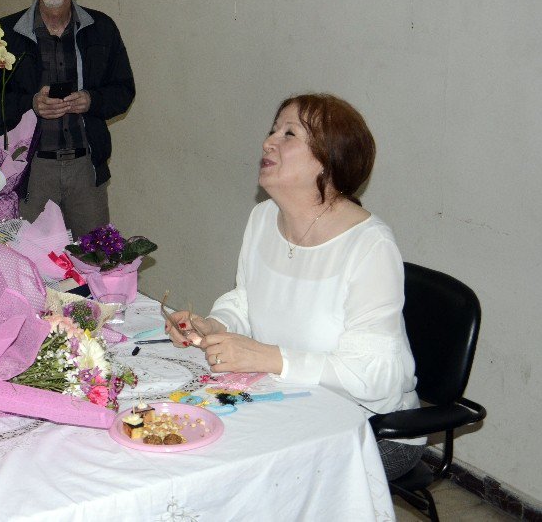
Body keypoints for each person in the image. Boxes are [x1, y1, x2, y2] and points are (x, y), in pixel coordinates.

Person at [166, 93, 424, 480]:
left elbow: (378, 379)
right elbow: (247, 300)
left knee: (243, 480)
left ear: (330, 159)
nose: (268, 142)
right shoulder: (264, 217)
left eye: (289, 134)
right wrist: (216, 326)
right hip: (289, 407)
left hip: (369, 431)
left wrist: (268, 357)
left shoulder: (370, 246)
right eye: (273, 130)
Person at [0, 0, 135, 238]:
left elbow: (124, 90)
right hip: (29, 173)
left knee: (96, 260)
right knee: (29, 264)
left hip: (85, 171)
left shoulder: (102, 28)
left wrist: (91, 99)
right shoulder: (4, 34)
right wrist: (30, 104)